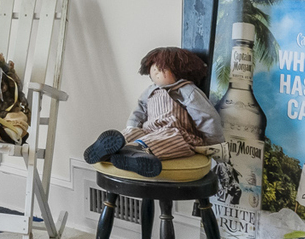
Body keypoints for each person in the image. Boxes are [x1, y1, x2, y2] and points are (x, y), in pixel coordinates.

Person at [84, 47, 218, 178]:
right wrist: (132, 127)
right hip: (149, 130)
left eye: (161, 69)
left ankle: (137, 151)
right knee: (135, 132)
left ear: (180, 70)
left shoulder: (187, 91)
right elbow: (139, 110)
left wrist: (214, 143)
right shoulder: (150, 90)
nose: (155, 72)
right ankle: (112, 147)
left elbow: (205, 116)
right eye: (153, 68)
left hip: (179, 134)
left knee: (167, 138)